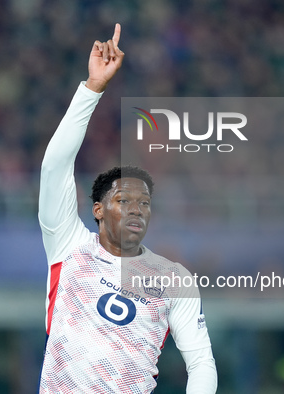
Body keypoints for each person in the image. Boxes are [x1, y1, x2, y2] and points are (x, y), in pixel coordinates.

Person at [38, 23, 217, 393]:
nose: (137, 210)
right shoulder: (69, 247)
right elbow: (54, 165)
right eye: (123, 201)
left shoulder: (172, 278)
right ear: (99, 210)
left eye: (145, 203)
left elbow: (201, 362)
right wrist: (92, 89)